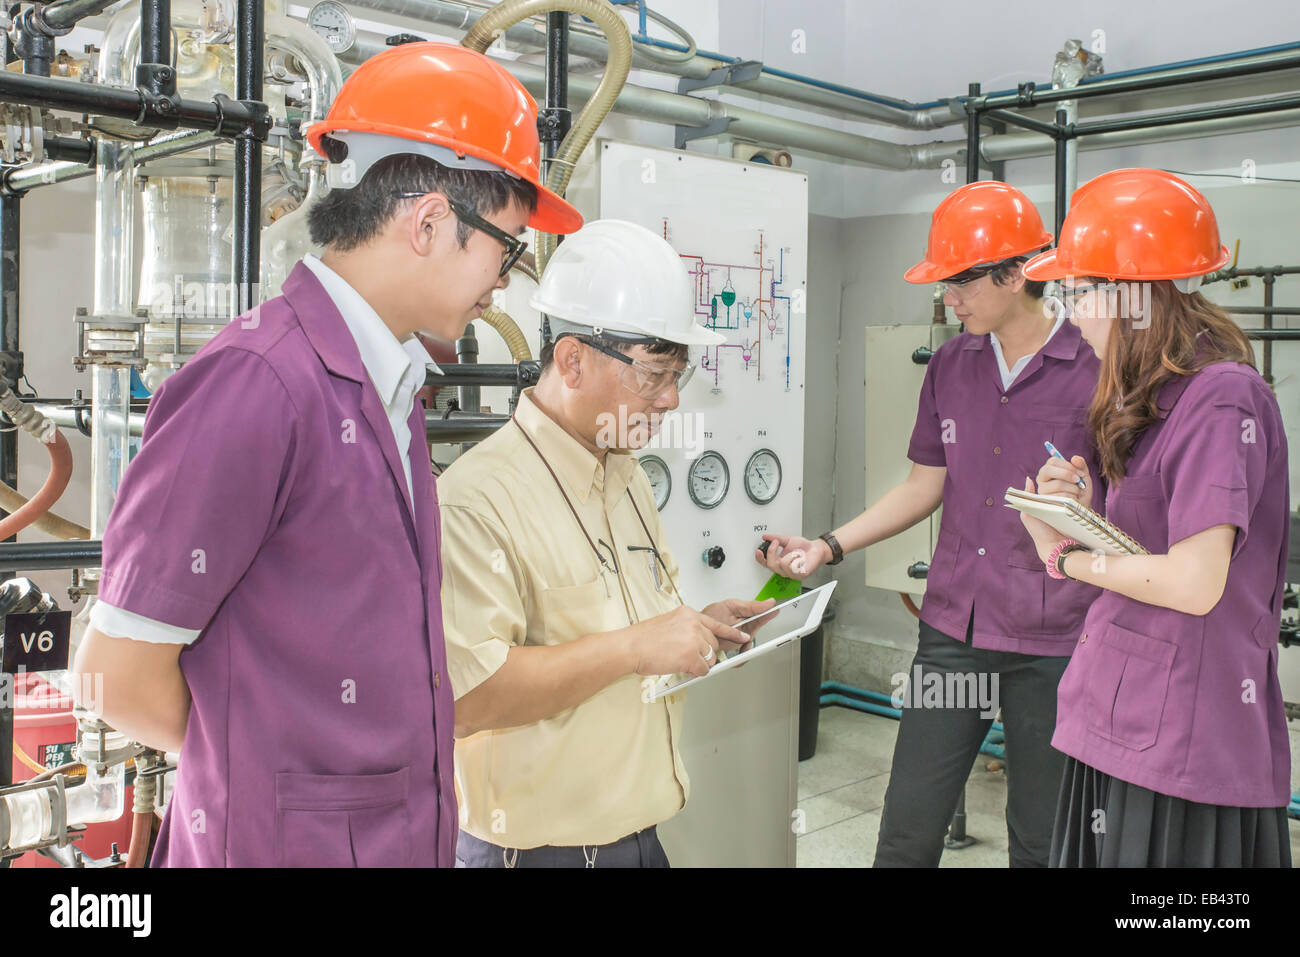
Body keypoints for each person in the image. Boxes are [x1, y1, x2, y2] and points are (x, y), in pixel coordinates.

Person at [70, 42, 582, 867]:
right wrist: (280, 787)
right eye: (509, 248)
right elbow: (114, 676)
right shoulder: (257, 383)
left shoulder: (388, 387)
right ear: (430, 222)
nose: (505, 281)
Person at [757, 181, 1105, 867]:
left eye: (961, 282)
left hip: (1056, 640)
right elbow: (925, 483)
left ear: (1016, 274)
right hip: (955, 630)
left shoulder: (1095, 368)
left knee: (1041, 835)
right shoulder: (951, 363)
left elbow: (1121, 506)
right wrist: (827, 545)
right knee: (909, 824)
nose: (950, 298)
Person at [438, 219, 776, 867]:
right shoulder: (478, 498)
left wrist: (699, 626)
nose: (672, 398)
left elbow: (625, 636)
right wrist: (634, 646)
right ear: (572, 359)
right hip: (539, 853)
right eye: (653, 374)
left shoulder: (626, 477)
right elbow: (469, 698)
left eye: (679, 373)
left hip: (640, 839)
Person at [1018, 168, 1292, 868]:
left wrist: (1065, 557)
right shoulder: (1156, 398)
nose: (1072, 316)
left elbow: (1195, 581)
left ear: (1131, 294)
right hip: (1124, 710)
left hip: (1186, 734)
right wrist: (1083, 515)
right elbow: (1153, 548)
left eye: (1079, 292)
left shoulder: (1222, 396)